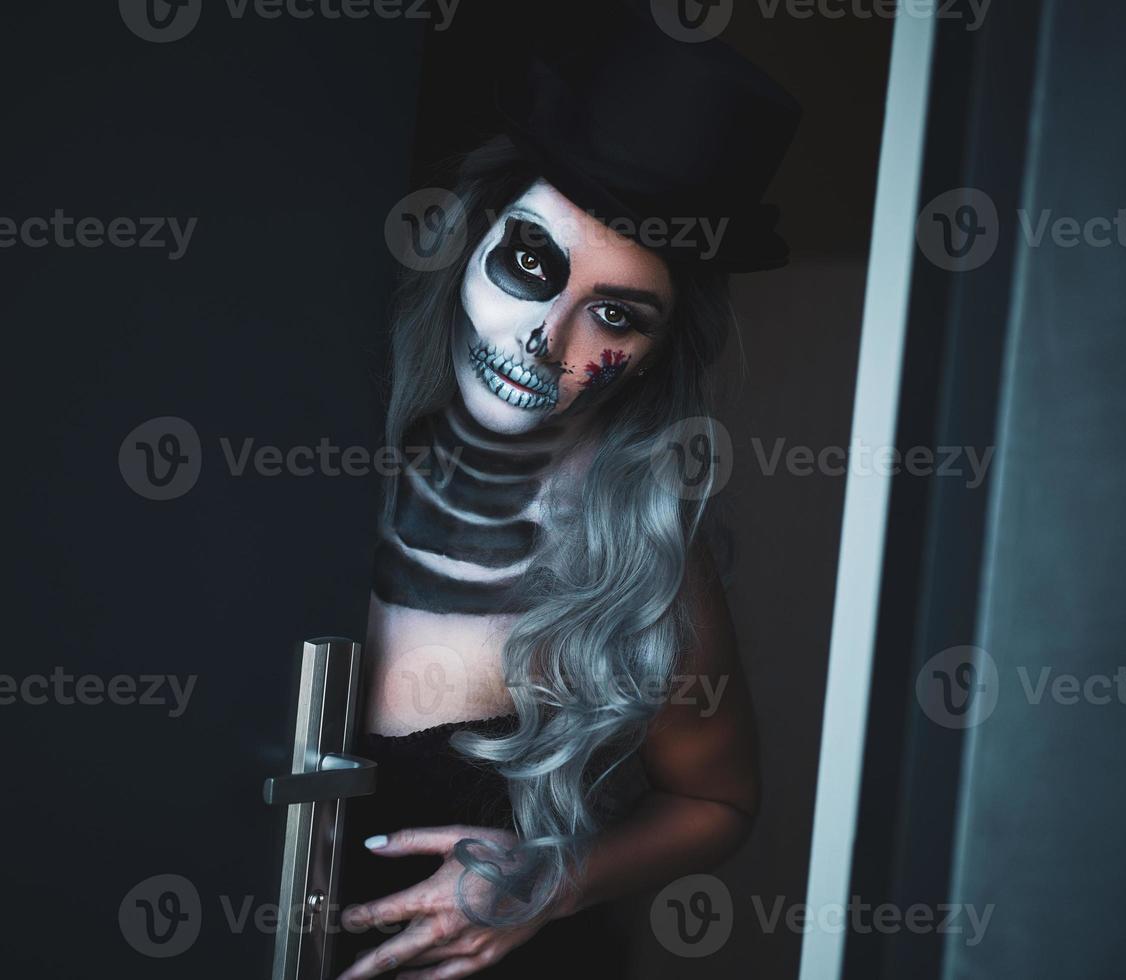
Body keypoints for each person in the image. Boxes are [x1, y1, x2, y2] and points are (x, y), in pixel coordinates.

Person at [333, 11, 800, 978]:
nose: (544, 342)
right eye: (532, 266)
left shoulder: (639, 564)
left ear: (654, 354)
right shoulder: (313, 447)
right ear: (468, 244)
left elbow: (717, 805)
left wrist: (552, 879)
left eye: (614, 315)